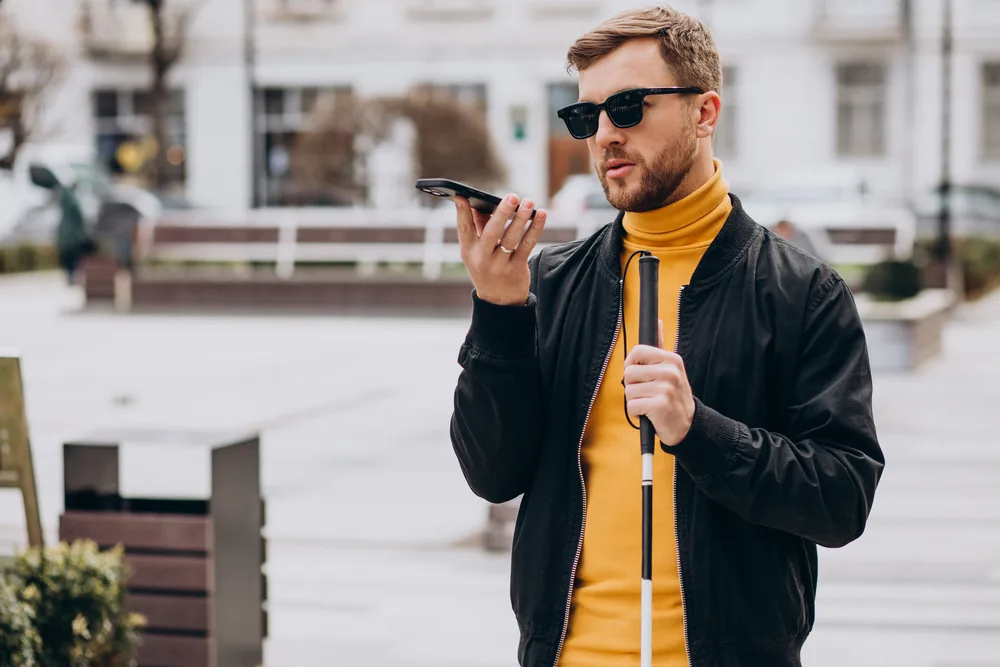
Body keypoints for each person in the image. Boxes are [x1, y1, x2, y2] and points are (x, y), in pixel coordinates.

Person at [448, 5, 884, 667]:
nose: (603, 135)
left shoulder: (799, 291)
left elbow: (842, 497)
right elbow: (492, 472)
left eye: (627, 107)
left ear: (705, 112)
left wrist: (698, 429)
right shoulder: (555, 283)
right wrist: (500, 311)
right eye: (585, 116)